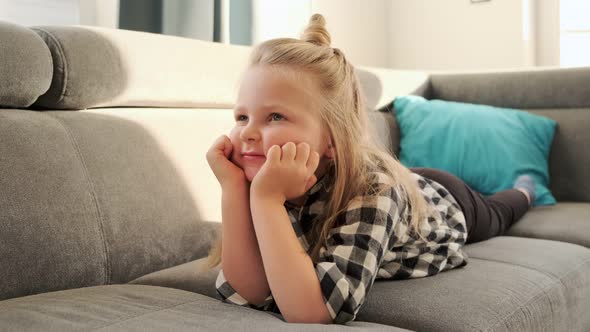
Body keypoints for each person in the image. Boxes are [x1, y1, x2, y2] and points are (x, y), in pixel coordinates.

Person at [204, 13, 536, 325]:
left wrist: (266, 201)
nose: (247, 132)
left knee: (498, 212)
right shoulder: (265, 177)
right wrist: (233, 190)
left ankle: (524, 189)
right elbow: (248, 292)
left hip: (446, 201)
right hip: (406, 184)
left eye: (275, 116)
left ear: (331, 140)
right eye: (241, 117)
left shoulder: (374, 191)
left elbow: (314, 313)